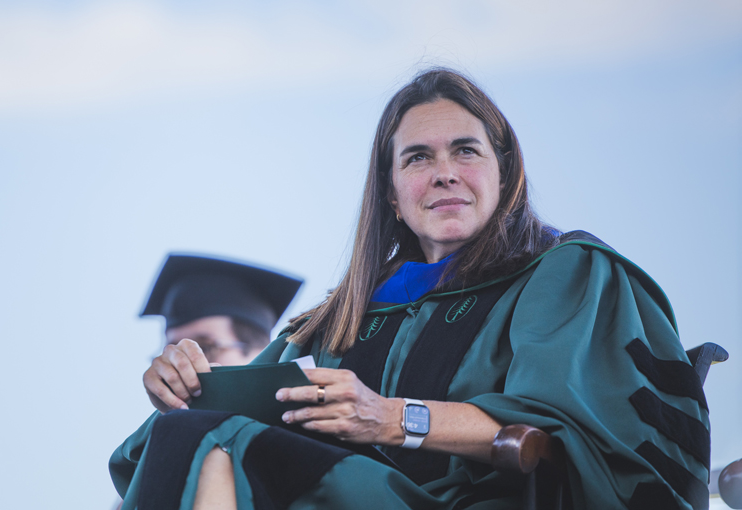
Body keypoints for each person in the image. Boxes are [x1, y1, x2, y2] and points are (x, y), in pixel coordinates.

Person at [110, 69, 709, 510]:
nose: (445, 171)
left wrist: (394, 418)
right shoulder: (347, 313)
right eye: (418, 157)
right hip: (348, 494)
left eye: (466, 151)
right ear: (392, 194)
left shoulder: (568, 273)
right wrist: (185, 391)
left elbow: (581, 435)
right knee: (188, 432)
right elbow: (234, 412)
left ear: (505, 173)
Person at [141, 254, 303, 366]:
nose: (182, 365)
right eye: (172, 353)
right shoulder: (165, 414)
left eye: (204, 348)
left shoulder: (306, 411)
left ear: (262, 354)